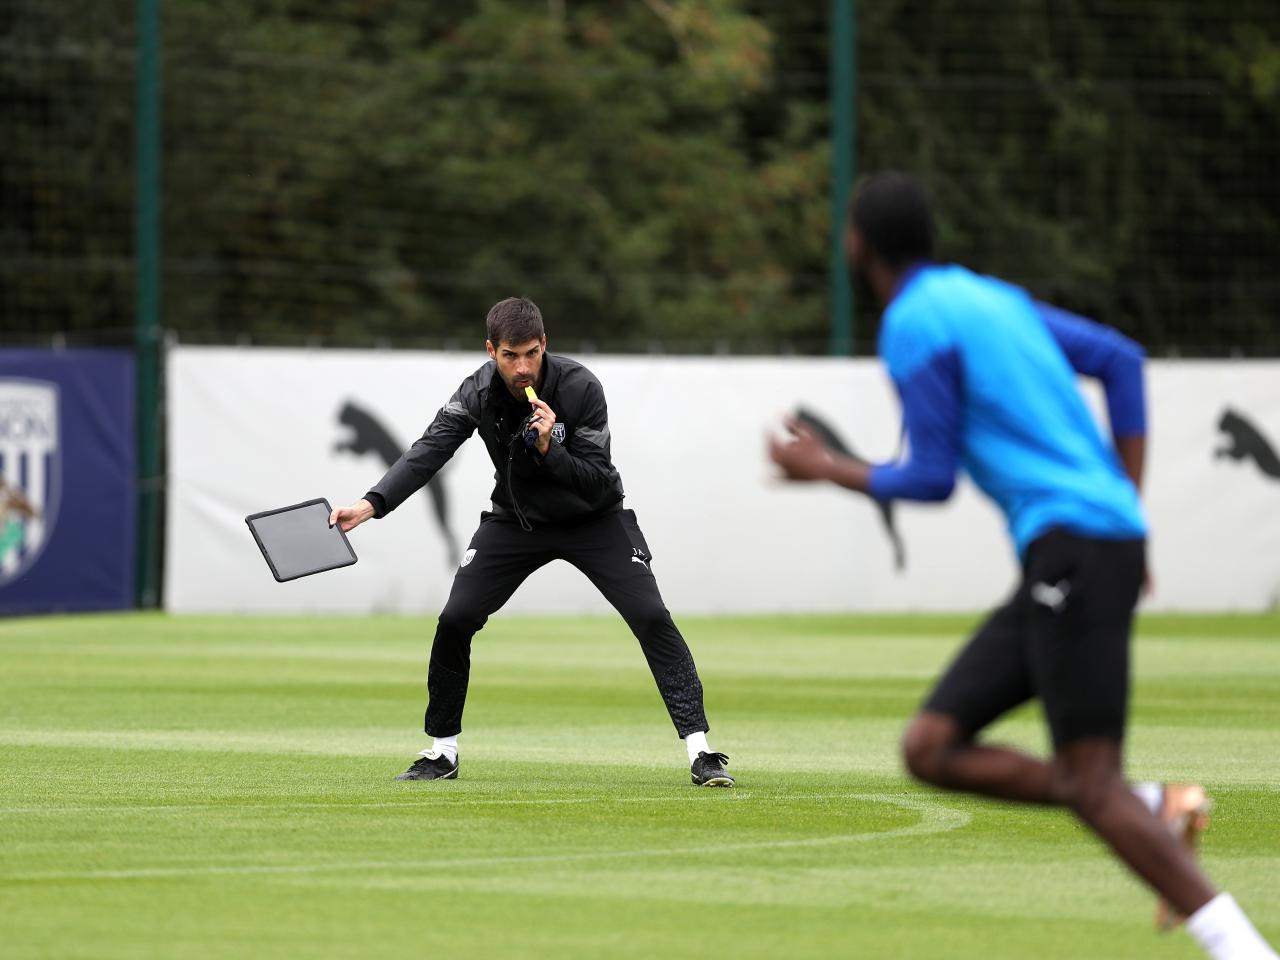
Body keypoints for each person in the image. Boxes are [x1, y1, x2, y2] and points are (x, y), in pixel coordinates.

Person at [768, 171, 1276, 960]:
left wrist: (827, 467)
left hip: (1074, 548)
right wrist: (1127, 505)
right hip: (1085, 546)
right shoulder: (993, 299)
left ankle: (1242, 947)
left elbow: (930, 477)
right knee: (930, 747)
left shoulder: (910, 323)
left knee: (1088, 782)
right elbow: (1121, 359)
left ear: (858, 244)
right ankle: (1154, 805)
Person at [331, 296, 733, 787]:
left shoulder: (581, 386)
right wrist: (372, 504)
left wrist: (550, 447)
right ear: (490, 351)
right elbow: (428, 451)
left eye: (531, 353)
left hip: (595, 521)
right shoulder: (477, 393)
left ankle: (701, 751)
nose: (522, 367)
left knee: (651, 615)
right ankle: (442, 752)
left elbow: (598, 482)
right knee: (456, 618)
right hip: (516, 522)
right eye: (509, 355)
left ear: (545, 345)